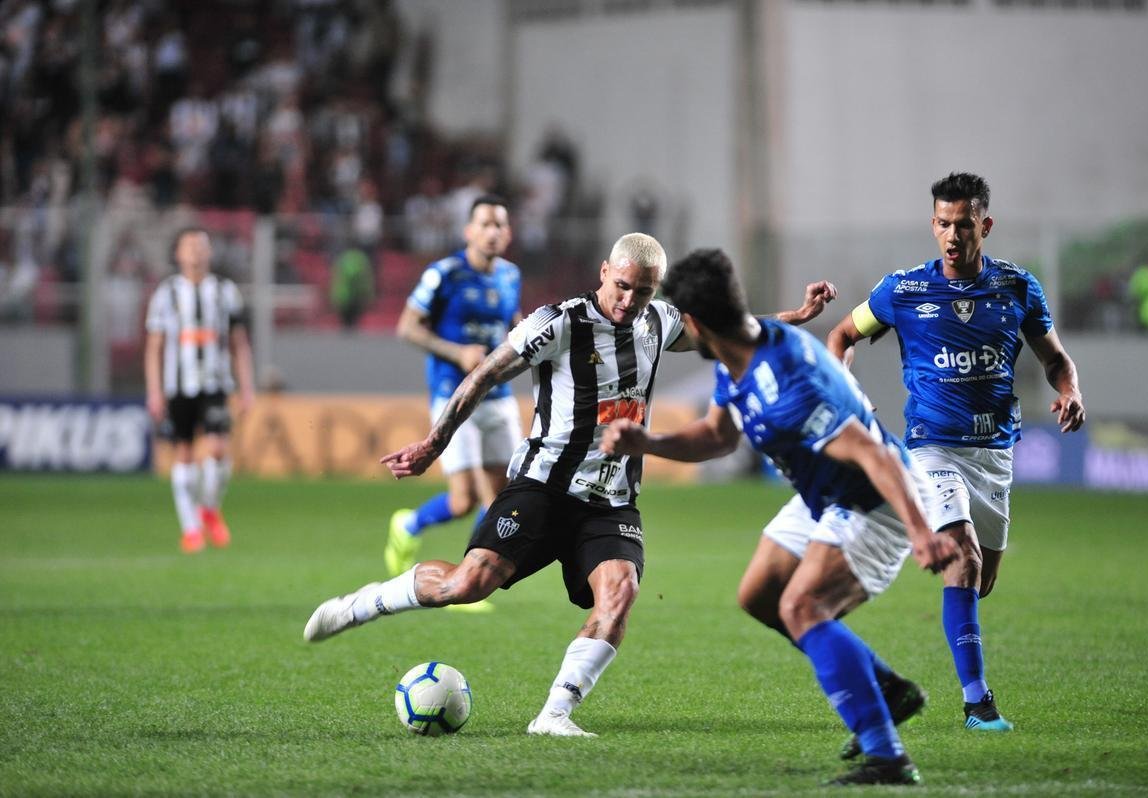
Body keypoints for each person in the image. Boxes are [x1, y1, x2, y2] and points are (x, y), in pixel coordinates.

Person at [304, 232, 836, 737]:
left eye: (643, 291)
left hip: (611, 500)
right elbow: (486, 374)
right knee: (467, 585)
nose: (629, 300)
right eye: (622, 285)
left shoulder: (660, 321)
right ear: (605, 272)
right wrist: (434, 443)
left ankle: (554, 714)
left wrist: (795, 317)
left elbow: (725, 329)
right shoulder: (558, 321)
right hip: (542, 486)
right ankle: (363, 604)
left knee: (620, 593)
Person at [601, 248, 959, 785]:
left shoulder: (787, 381)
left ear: (694, 324)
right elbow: (718, 437)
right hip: (826, 492)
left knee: (802, 606)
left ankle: (887, 755)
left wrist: (922, 533)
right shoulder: (740, 353)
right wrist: (647, 442)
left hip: (877, 501)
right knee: (760, 596)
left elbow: (872, 453)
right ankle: (885, 687)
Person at [826, 172, 1086, 733]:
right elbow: (842, 335)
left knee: (980, 580)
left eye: (962, 225)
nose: (950, 235)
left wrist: (1070, 391)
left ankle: (958, 615)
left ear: (984, 226)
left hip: (994, 454)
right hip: (931, 449)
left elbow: (1055, 359)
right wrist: (847, 395)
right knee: (962, 559)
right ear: (933, 224)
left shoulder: (1017, 288)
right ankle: (978, 703)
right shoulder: (904, 290)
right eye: (942, 224)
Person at [383, 196, 523, 614]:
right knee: (462, 500)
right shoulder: (444, 273)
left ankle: (466, 577)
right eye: (485, 224)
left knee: (498, 497)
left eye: (500, 224)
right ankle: (408, 525)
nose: (493, 231)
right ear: (468, 231)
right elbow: (407, 328)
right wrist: (455, 351)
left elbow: (512, 325)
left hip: (498, 395)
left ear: (509, 233)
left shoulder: (511, 276)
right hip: (453, 395)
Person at [145, 226, 255, 553]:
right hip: (178, 385)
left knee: (218, 449)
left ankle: (207, 508)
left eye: (201, 246)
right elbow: (154, 347)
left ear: (209, 253)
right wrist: (154, 391)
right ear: (178, 254)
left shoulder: (225, 291)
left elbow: (239, 344)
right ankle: (190, 529)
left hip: (215, 382)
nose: (195, 251)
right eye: (189, 246)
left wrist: (247, 387)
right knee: (184, 454)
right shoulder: (165, 294)